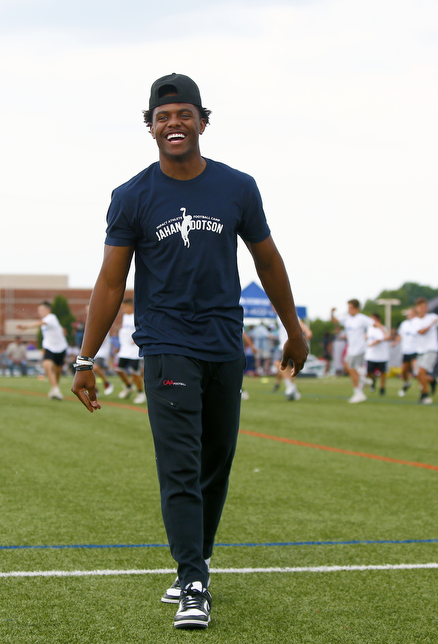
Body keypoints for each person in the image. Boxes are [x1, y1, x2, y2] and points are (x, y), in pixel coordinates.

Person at [70, 74, 308, 630]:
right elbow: (110, 283)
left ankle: (191, 563)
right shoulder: (132, 196)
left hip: (225, 344)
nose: (173, 124)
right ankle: (194, 581)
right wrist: (85, 359)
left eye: (183, 115)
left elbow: (267, 261)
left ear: (204, 120)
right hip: (167, 343)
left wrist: (293, 329)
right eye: (163, 117)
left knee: (215, 464)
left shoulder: (238, 188)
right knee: (180, 463)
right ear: (149, 127)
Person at [412, 297, 438, 405]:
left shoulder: (432, 317)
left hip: (431, 349)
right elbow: (421, 331)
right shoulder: (415, 321)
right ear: (416, 308)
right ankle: (432, 381)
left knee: (421, 372)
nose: (423, 309)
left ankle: (425, 395)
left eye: (425, 307)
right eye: (420, 307)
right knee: (417, 375)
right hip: (420, 351)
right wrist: (432, 324)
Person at [35, 301, 69, 400]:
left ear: (48, 310)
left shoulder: (51, 317)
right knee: (47, 365)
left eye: (41, 310)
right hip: (49, 348)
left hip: (60, 348)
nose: (39, 312)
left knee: (58, 371)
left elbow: (44, 323)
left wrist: (26, 327)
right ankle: (56, 389)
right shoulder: (46, 321)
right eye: (38, 310)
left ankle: (55, 388)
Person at [114, 298, 146, 404]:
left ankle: (140, 393)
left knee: (134, 372)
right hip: (125, 349)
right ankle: (128, 386)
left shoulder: (137, 316)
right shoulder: (125, 317)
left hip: (135, 350)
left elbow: (143, 328)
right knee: (118, 369)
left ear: (131, 306)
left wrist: (137, 339)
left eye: (125, 307)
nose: (123, 309)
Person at [343, 299, 374, 404]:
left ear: (356, 308)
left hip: (358, 348)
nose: (348, 310)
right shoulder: (347, 318)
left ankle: (359, 393)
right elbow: (334, 320)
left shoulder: (362, 318)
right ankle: (364, 380)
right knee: (349, 367)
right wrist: (332, 312)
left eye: (350, 308)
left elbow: (375, 324)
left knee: (352, 369)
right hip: (351, 349)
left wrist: (384, 332)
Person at [277, 317, 311, 401]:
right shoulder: (279, 315)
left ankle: (290, 388)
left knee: (279, 363)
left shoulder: (285, 313)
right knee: (288, 368)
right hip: (284, 345)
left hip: (288, 346)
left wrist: (307, 332)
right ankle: (294, 391)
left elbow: (299, 323)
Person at [364, 312, 391, 396]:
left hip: (382, 356)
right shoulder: (369, 328)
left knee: (382, 373)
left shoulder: (382, 328)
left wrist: (370, 344)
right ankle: (373, 381)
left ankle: (382, 388)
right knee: (369, 372)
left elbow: (383, 338)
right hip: (371, 355)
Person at [395, 308, 418, 397]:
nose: (409, 315)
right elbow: (400, 335)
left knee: (416, 371)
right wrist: (395, 342)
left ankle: (423, 387)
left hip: (415, 350)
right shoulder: (404, 324)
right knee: (404, 371)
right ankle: (406, 383)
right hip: (406, 350)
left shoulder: (418, 323)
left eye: (411, 313)